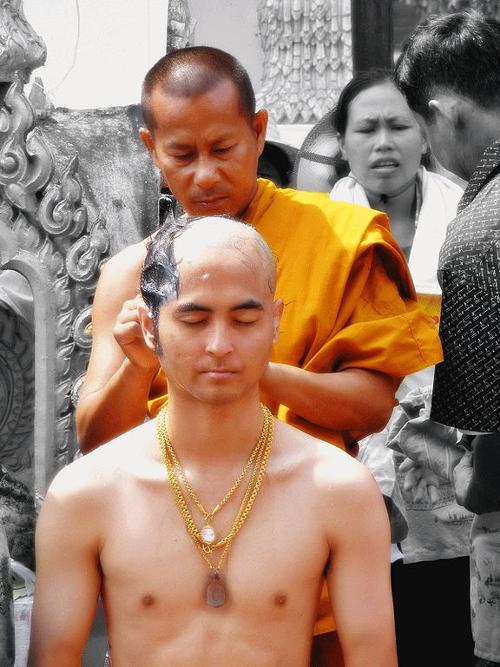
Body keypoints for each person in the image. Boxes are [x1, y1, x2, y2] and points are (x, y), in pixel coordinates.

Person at [74, 46, 442, 657]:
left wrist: (253, 374)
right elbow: (96, 441)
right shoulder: (129, 273)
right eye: (181, 155)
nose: (205, 176)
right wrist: (138, 372)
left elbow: (370, 406)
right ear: (149, 147)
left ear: (259, 131)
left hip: (311, 572)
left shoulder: (338, 239)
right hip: (171, 576)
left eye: (224, 150)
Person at [30, 217, 398, 667]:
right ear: (150, 326)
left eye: (244, 319)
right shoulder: (84, 495)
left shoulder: (340, 490)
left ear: (276, 321)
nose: (220, 345)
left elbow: (373, 657)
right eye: (194, 319)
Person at [329, 69, 474, 667]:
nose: (383, 143)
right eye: (366, 128)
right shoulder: (319, 226)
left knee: (453, 629)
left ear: (425, 132)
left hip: (457, 463)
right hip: (357, 460)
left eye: (399, 125)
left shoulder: (468, 216)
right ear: (342, 143)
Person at [395, 9, 500, 666]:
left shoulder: (479, 234)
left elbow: (489, 469)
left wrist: (441, 452)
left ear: (446, 113)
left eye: (421, 129)